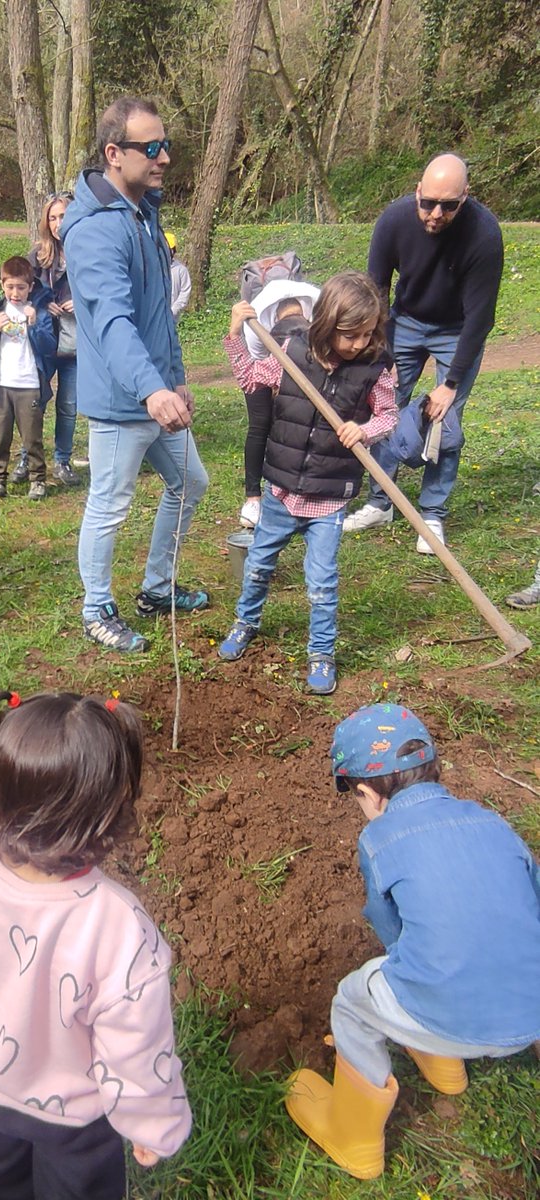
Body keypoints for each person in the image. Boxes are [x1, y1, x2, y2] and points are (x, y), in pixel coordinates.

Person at [0, 689, 192, 1199]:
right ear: (108, 810)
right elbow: (135, 1044)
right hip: (76, 1119)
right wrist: (149, 1119)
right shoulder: (117, 925)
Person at [285, 702, 540, 1180]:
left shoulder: (380, 839)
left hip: (453, 1016)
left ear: (367, 792)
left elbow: (392, 933)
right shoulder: (493, 823)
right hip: (531, 1016)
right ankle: (444, 1066)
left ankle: (355, 1139)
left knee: (353, 1002)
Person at [62, 96, 209, 653]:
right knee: (109, 502)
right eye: (151, 148)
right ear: (113, 153)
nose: (164, 157)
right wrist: (151, 389)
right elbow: (113, 320)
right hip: (124, 400)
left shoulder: (143, 209)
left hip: (156, 390)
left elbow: (157, 311)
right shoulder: (96, 228)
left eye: (165, 145)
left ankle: (156, 587)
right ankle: (96, 608)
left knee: (190, 483)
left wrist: (174, 375)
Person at [218, 272, 397, 695]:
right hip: (281, 491)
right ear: (326, 323)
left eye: (367, 334)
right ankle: (245, 623)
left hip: (329, 496)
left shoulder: (376, 368)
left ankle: (321, 652)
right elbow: (249, 379)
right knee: (259, 566)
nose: (359, 344)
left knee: (321, 581)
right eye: (350, 334)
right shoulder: (291, 351)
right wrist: (234, 334)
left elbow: (389, 416)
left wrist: (365, 430)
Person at [344, 154, 504, 553]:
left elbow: (480, 319)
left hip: (457, 329)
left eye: (448, 205)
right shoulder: (395, 220)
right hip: (405, 322)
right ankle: (381, 502)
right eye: (428, 202)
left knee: (443, 421)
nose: (435, 213)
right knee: (384, 406)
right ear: (417, 191)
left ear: (465, 198)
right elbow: (376, 290)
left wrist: (449, 385)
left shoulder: (483, 235)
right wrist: (379, 348)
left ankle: (432, 513)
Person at [237, 279, 321, 529]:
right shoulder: (255, 328)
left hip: (311, 356)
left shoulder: (322, 311)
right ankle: (253, 497)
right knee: (260, 423)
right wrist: (275, 384)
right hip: (260, 360)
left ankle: (298, 492)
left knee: (301, 420)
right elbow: (254, 375)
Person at [0, 256, 56, 500]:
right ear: (2, 285)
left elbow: (48, 346)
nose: (15, 293)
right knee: (0, 437)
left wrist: (33, 324)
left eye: (21, 287)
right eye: (10, 287)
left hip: (29, 384)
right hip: (0, 385)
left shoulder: (39, 314)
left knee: (32, 439)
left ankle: (37, 479)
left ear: (31, 287)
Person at [21, 191, 81, 486]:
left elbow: (103, 289)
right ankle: (26, 458)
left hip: (76, 343)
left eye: (64, 216)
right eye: (53, 217)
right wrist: (44, 302)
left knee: (68, 404)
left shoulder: (88, 250)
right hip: (44, 341)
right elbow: (21, 292)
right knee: (35, 402)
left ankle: (63, 460)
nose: (58, 223)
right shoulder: (38, 255)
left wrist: (80, 302)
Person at [165, 230, 191, 323]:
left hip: (172, 319)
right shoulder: (153, 269)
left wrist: (173, 311)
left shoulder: (181, 270)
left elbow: (184, 293)